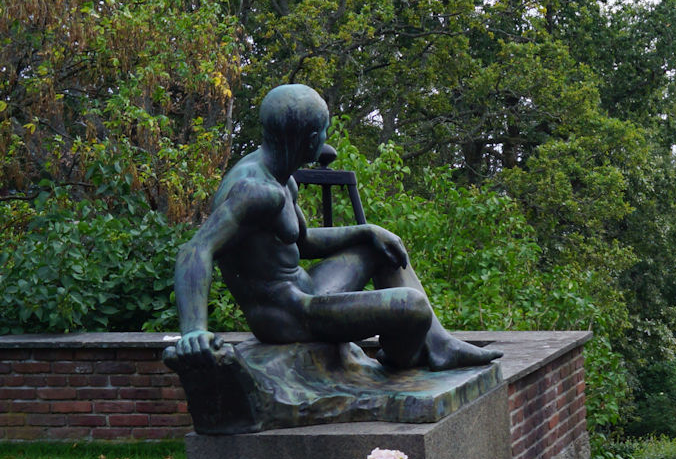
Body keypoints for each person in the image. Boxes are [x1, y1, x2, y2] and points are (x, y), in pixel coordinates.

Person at [166, 84, 501, 372]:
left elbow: (306, 241)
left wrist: (368, 230)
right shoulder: (256, 191)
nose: (327, 141)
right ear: (311, 139)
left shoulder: (283, 179)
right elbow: (196, 250)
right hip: (290, 316)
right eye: (324, 131)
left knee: (380, 248)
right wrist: (194, 330)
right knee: (411, 307)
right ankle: (405, 358)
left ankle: (439, 345)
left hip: (306, 292)